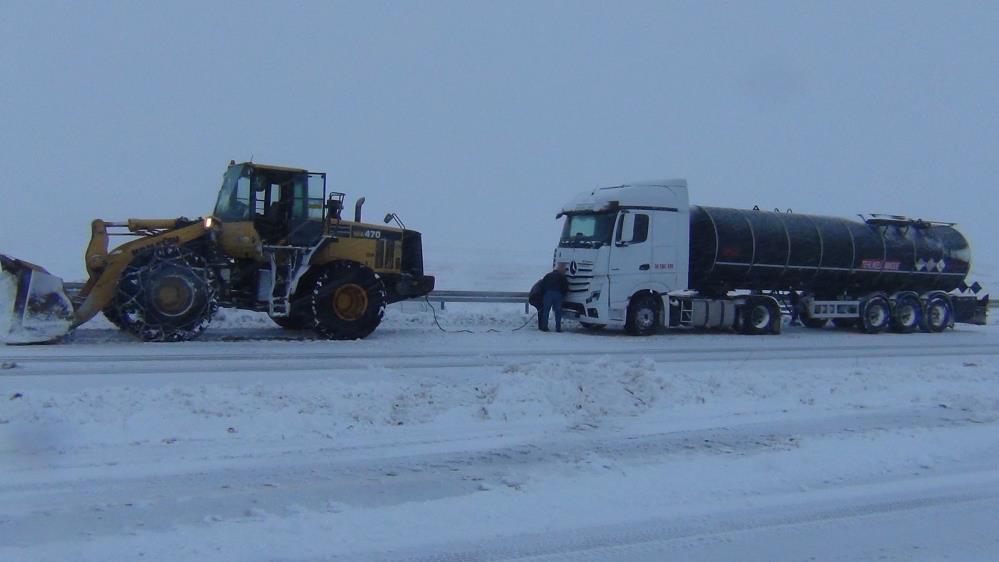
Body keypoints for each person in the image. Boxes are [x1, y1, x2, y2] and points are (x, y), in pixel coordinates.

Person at [539, 263, 570, 332]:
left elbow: (542, 286)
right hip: (558, 294)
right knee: (558, 312)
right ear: (561, 270)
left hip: (547, 294)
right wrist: (563, 295)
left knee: (546, 311)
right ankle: (558, 328)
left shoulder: (548, 275)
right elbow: (565, 287)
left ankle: (544, 327)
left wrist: (544, 294)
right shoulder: (562, 276)